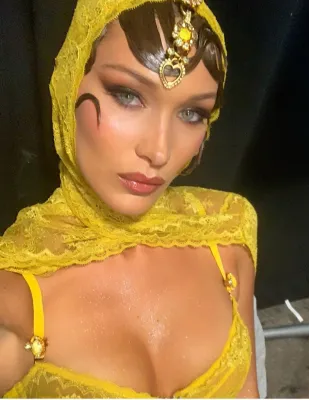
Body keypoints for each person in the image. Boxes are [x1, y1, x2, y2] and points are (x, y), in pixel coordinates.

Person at [0, 0, 264, 398]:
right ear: (70, 82)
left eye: (192, 113)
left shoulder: (227, 232)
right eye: (127, 95)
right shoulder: (15, 292)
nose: (159, 151)